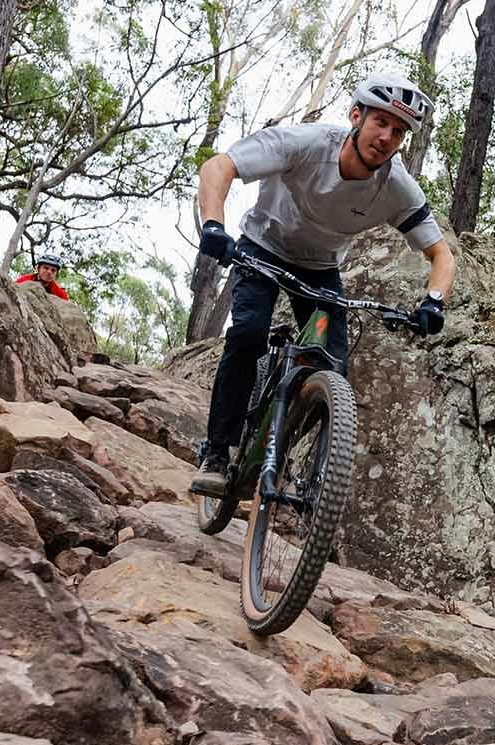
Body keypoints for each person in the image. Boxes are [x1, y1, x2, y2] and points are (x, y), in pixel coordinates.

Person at [189, 70, 455, 498]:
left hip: (320, 268)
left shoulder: (397, 188)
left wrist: (434, 302)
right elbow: (219, 166)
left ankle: (275, 448)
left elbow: (441, 254)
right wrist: (214, 226)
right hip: (262, 247)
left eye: (399, 131)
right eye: (380, 122)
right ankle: (217, 452)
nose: (387, 137)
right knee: (248, 333)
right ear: (356, 116)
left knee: (335, 370)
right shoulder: (307, 144)